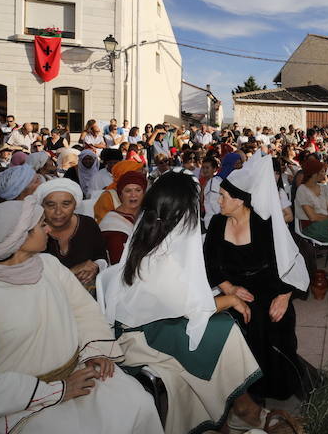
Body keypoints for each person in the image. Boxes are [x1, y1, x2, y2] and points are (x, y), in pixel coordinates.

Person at [0, 197, 161, 433]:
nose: (48, 228)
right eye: (41, 224)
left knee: (139, 403)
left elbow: (82, 310)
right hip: (17, 404)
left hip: (76, 372)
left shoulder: (48, 265)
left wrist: (94, 351)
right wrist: (59, 390)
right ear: (19, 237)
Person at [103, 171, 302, 434]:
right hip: (143, 333)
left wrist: (239, 295)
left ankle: (241, 408)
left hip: (158, 317)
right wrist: (230, 297)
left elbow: (182, 293)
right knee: (223, 330)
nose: (207, 205)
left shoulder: (153, 233)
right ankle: (242, 410)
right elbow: (186, 303)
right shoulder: (161, 254)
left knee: (225, 326)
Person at [204, 153, 309, 400]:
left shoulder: (264, 224)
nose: (217, 201)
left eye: (223, 196)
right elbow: (209, 262)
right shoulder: (218, 224)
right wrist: (228, 288)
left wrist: (284, 295)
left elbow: (291, 260)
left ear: (239, 201)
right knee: (239, 322)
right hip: (234, 288)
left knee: (275, 320)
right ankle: (248, 393)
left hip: (270, 284)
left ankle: (278, 386)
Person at [35, 179, 108, 290]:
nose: (58, 211)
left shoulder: (88, 225)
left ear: (75, 205)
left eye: (66, 204)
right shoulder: (33, 233)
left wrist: (95, 267)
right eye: (51, 205)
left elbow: (101, 257)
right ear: (42, 206)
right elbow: (35, 279)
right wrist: (73, 271)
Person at [99, 170, 147, 264]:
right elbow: (118, 263)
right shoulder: (112, 225)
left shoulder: (145, 214)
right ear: (120, 195)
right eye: (128, 191)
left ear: (143, 193)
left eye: (138, 190)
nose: (133, 195)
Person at [92, 160, 144, 224]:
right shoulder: (107, 197)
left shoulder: (142, 192)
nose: (142, 176)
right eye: (137, 174)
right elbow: (103, 224)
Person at [203, 152, 243, 229]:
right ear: (229, 165)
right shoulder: (215, 182)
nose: (239, 167)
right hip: (215, 226)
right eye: (236, 164)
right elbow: (217, 207)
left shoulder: (235, 181)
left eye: (240, 164)